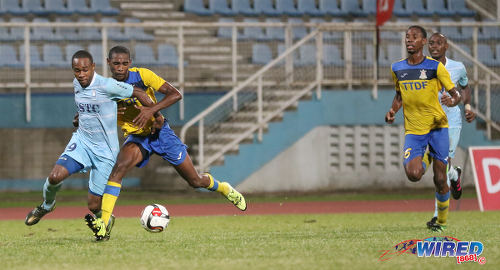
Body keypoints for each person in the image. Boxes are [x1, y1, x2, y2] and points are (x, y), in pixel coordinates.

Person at [85, 46, 247, 241]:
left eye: (124, 63)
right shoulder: (106, 88)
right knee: (118, 168)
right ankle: (103, 223)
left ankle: (224, 188)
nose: (120, 67)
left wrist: (151, 110)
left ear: (130, 63)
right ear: (109, 62)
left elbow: (175, 94)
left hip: (161, 134)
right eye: (116, 63)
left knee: (195, 181)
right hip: (139, 138)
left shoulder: (143, 76)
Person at [25, 50, 155, 228]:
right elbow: (88, 106)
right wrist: (77, 117)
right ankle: (47, 205)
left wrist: (156, 115)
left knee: (94, 205)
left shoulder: (108, 85)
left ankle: (105, 221)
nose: (81, 74)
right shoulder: (77, 84)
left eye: (85, 70)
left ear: (93, 67)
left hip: (105, 153)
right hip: (82, 143)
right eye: (77, 70)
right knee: (55, 176)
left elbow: (138, 92)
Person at [385, 26, 461, 232]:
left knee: (440, 178)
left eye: (414, 37)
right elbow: (399, 95)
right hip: (414, 131)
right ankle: (428, 156)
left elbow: (456, 94)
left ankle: (442, 221)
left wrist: (452, 101)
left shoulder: (435, 67)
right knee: (413, 174)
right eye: (407, 37)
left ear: (424, 42)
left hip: (438, 127)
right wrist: (392, 110)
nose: (409, 40)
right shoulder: (397, 68)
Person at [426, 32, 476, 230]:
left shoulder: (458, 67)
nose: (434, 46)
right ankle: (455, 175)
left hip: (452, 122)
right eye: (431, 43)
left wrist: (468, 107)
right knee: (439, 167)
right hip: (430, 123)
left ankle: (438, 216)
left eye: (438, 43)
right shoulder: (423, 67)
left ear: (446, 46)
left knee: (441, 166)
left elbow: (465, 87)